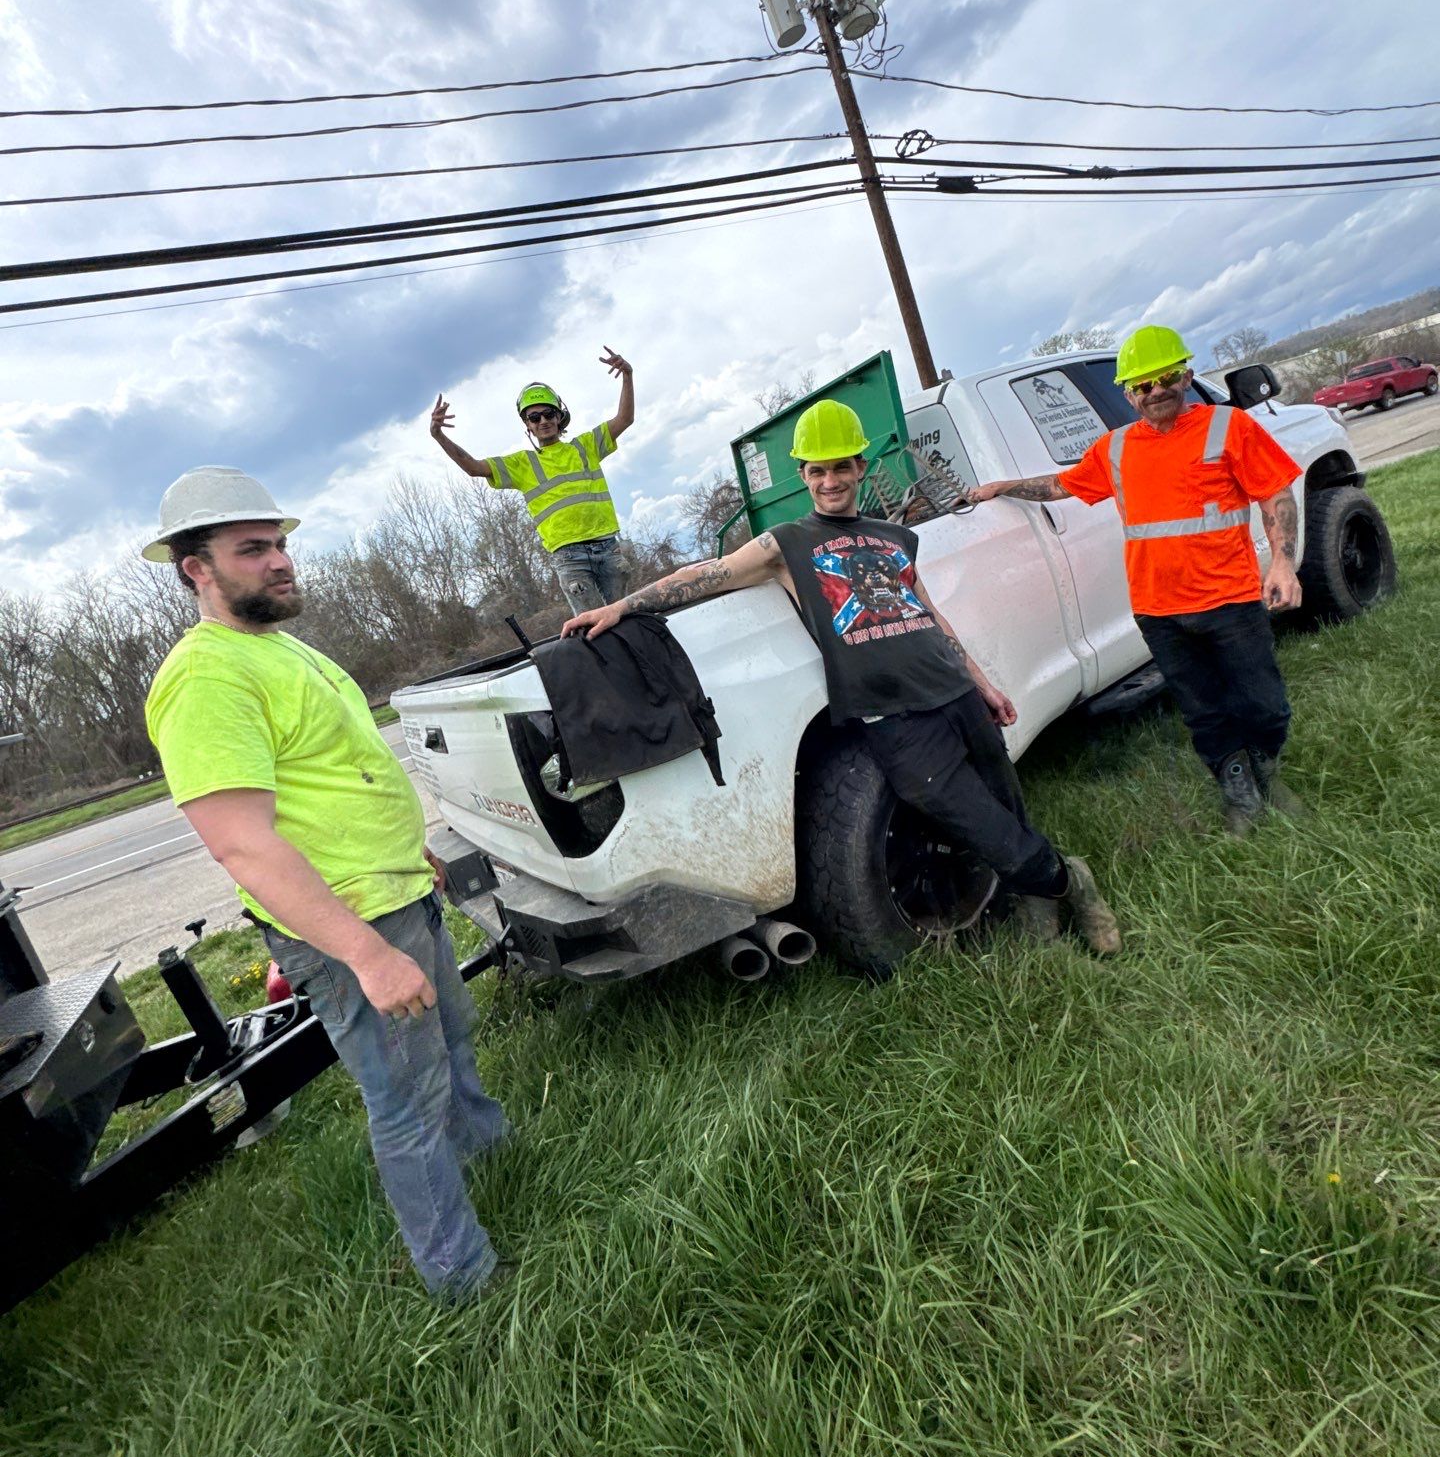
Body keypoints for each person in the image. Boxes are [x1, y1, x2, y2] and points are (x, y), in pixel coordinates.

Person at [561, 399, 1121, 958]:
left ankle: (1037, 901)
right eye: (818, 471)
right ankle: (1073, 882)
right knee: (966, 814)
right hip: (892, 715)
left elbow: (926, 613)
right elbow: (709, 573)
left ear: (859, 468)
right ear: (804, 476)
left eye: (840, 468)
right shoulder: (788, 542)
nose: (831, 481)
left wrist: (981, 682)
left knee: (1005, 803)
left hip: (953, 690)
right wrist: (624, 606)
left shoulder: (894, 537)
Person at [142, 466, 511, 1301]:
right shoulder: (206, 679)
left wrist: (404, 852)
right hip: (349, 930)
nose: (278, 562)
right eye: (251, 549)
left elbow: (332, 777)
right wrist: (368, 956)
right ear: (195, 568)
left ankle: (495, 1160)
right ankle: (462, 1277)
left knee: (452, 1047)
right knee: (407, 1103)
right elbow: (244, 847)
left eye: (279, 544)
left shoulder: (275, 648)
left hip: (395, 896)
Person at [968, 324, 1304, 835]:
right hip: (1159, 611)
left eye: (1166, 378)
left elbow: (1276, 496)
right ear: (1128, 394)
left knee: (1263, 703)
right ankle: (1239, 791)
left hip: (1231, 599)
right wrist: (1001, 487)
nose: (1156, 392)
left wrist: (1281, 562)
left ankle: (1267, 770)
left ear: (1186, 375)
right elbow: (1061, 485)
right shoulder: (1117, 449)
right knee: (1203, 710)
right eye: (1143, 386)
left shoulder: (1228, 428)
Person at [429, 348, 635, 614]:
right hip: (569, 557)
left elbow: (624, 419)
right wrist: (439, 436)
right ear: (528, 425)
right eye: (534, 417)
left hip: (608, 548)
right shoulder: (522, 464)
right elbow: (473, 468)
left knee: (625, 616)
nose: (543, 421)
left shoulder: (586, 446)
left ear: (559, 417)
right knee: (592, 627)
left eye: (549, 414)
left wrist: (628, 376)